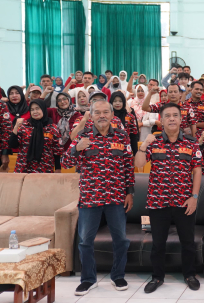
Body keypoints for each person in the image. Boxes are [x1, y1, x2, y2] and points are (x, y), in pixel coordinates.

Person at [62, 99, 135, 296]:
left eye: (105, 112)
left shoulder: (122, 136)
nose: (102, 116)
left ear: (112, 115)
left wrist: (130, 192)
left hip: (116, 197)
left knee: (121, 240)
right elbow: (64, 162)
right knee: (85, 241)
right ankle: (88, 279)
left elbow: (128, 166)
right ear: (91, 116)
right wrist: (76, 149)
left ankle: (118, 275)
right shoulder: (82, 136)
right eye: (97, 112)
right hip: (90, 198)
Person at [134, 103, 203, 293]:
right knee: (158, 244)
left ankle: (190, 275)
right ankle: (157, 277)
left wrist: (194, 197)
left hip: (184, 201)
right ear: (161, 121)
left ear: (181, 120)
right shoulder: (154, 142)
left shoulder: (191, 143)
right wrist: (144, 144)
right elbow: (138, 164)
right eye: (167, 116)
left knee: (188, 242)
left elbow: (197, 171)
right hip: (158, 202)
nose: (172, 118)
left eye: (175, 115)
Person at [8, 99, 63, 173]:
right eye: (32, 109)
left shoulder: (52, 128)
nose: (35, 112)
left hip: (44, 168)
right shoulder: (24, 126)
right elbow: (13, 145)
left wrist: (58, 168)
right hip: (23, 168)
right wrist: (16, 126)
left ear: (43, 109)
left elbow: (57, 151)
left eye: (37, 108)